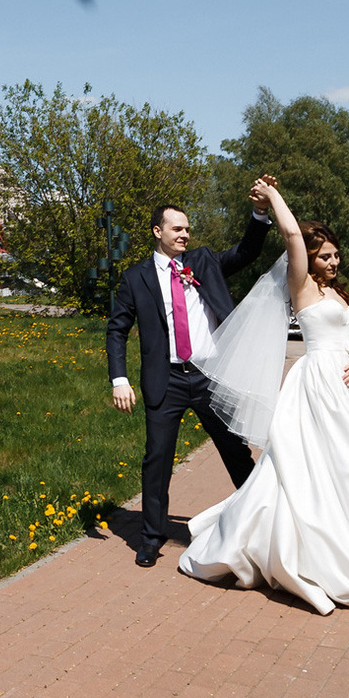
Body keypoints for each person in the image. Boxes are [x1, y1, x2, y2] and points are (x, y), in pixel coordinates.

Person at [176, 177, 349, 617]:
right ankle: (320, 558)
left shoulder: (339, 293)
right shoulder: (302, 286)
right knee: (315, 470)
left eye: (336, 254)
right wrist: (272, 199)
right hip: (317, 387)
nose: (334, 260)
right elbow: (292, 234)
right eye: (325, 255)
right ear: (307, 259)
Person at [104, 188, 275, 567]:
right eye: (176, 229)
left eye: (187, 229)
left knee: (235, 452)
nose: (184, 235)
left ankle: (262, 522)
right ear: (157, 232)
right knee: (157, 459)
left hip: (210, 376)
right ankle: (150, 537)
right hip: (165, 380)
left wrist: (259, 215)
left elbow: (245, 252)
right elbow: (117, 330)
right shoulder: (136, 278)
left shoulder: (203, 261)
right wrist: (119, 379)